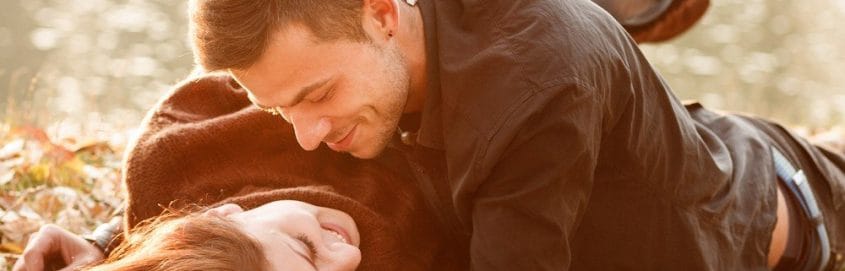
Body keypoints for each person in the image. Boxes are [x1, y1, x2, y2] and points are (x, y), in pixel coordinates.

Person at [187, 0, 845, 270]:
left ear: (382, 13)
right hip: (692, 134)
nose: (306, 135)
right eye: (282, 111)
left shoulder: (530, 103)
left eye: (318, 96)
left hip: (790, 203)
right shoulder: (356, 56)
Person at [13, 74, 468, 271]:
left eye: (305, 247)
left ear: (225, 214)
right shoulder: (414, 252)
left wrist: (107, 241)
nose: (346, 259)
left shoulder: (177, 153)